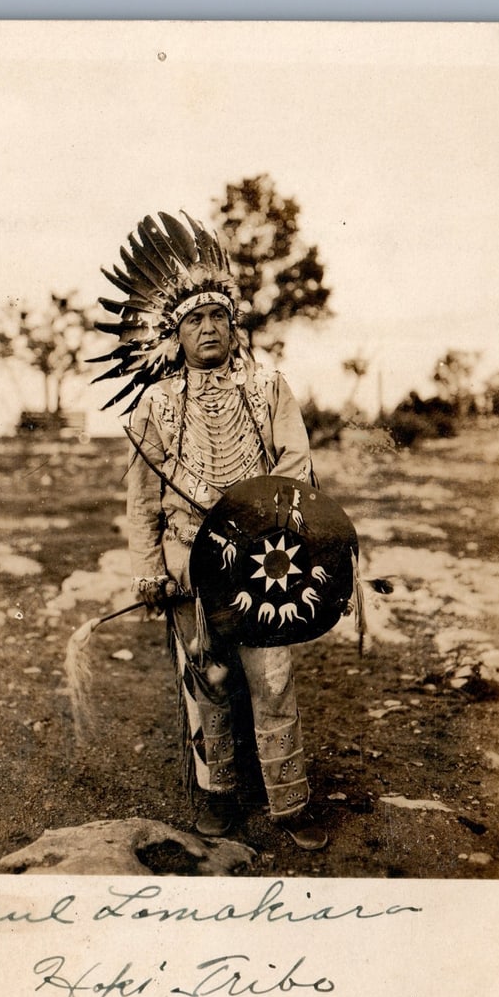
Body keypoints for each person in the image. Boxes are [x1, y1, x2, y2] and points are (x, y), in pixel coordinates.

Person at [93, 211, 328, 851]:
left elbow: (297, 468)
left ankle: (289, 803)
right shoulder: (157, 404)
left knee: (272, 678)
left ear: (234, 325)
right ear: (176, 332)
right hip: (188, 564)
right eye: (193, 320)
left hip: (263, 562)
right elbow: (142, 499)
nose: (207, 329)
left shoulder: (267, 387)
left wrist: (281, 535)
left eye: (217, 317)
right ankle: (219, 795)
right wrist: (149, 568)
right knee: (208, 678)